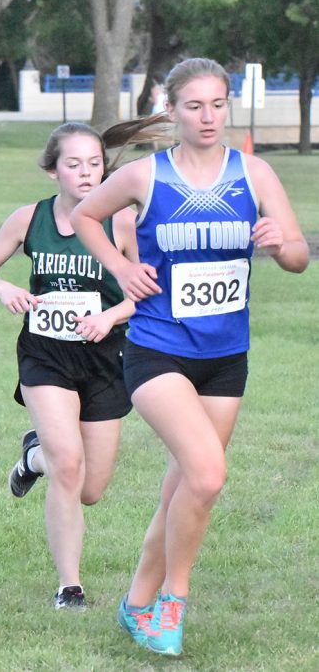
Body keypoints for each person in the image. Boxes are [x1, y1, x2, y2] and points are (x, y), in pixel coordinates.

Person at [70, 58, 309, 656]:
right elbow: (84, 215)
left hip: (226, 357)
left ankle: (135, 604)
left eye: (217, 105)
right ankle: (172, 604)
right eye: (195, 106)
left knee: (184, 489)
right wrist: (122, 269)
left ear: (229, 107)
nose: (207, 117)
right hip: (157, 349)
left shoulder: (253, 173)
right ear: (172, 109)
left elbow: (301, 253)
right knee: (206, 474)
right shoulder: (147, 177)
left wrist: (282, 246)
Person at [0, 122, 138, 610]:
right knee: (68, 463)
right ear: (52, 171)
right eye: (73, 164)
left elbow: (149, 293)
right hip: (45, 355)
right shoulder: (29, 219)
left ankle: (30, 458)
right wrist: (3, 288)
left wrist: (109, 316)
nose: (86, 173)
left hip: (105, 356)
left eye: (94, 163)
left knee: (89, 488)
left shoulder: (122, 223)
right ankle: (69, 586)